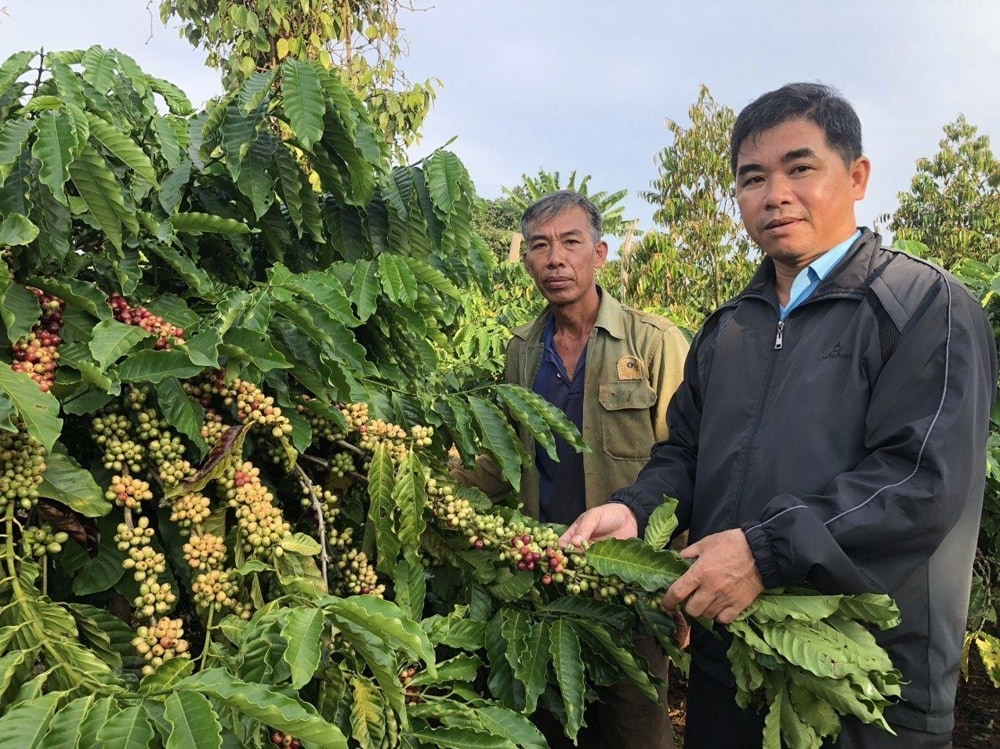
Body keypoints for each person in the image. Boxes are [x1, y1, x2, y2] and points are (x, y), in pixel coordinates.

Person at [559, 83, 998, 749]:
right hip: (732, 668)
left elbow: (919, 481)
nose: (774, 195)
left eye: (800, 168)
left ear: (856, 177)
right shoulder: (731, 327)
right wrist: (635, 509)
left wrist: (765, 551)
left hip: (863, 686)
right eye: (752, 178)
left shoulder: (924, 307)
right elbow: (684, 454)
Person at [455, 190, 689, 748]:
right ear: (527, 259)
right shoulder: (524, 350)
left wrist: (679, 578)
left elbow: (686, 460)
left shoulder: (654, 342)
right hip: (546, 579)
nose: (555, 258)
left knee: (634, 726)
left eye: (570, 243)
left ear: (600, 254)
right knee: (553, 724)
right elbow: (504, 457)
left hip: (628, 587)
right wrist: (432, 477)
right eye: (540, 246)